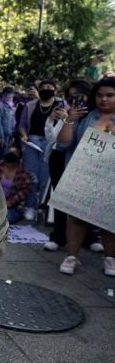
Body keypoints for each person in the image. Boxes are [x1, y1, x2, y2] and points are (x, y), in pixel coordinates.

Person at [55, 77, 115, 276]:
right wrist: (69, 119)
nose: (104, 99)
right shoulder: (85, 116)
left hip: (110, 177)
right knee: (77, 216)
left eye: (110, 95)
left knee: (109, 219)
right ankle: (71, 256)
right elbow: (63, 144)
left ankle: (110, 258)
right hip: (82, 173)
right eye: (99, 95)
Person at [43, 80, 101, 253]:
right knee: (61, 198)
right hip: (59, 158)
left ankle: (89, 238)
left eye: (78, 95)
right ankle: (58, 237)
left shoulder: (97, 114)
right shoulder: (67, 113)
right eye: (70, 96)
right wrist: (59, 120)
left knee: (86, 199)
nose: (74, 99)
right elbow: (53, 139)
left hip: (86, 159)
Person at [18, 79, 66, 221]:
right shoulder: (30, 105)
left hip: (51, 143)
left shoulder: (61, 105)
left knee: (47, 177)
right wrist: (24, 136)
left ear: (55, 91)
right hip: (32, 142)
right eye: (42, 87)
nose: (45, 89)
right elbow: (22, 125)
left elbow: (68, 122)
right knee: (31, 176)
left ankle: (43, 207)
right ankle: (29, 206)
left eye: (49, 87)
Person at [0, 147, 32, 223]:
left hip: (10, 205)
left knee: (8, 218)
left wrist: (9, 203)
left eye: (14, 154)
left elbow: (24, 191)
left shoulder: (23, 173)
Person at [0, 86, 17, 162]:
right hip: (2, 136)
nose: (9, 97)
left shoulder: (12, 106)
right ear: (3, 95)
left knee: (5, 157)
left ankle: (1, 172)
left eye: (11, 95)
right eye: (7, 95)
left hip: (10, 135)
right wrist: (0, 136)